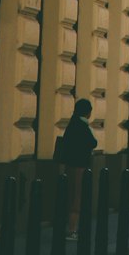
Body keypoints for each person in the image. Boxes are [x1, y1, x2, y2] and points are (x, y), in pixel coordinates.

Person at [57, 96, 97, 237]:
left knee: (72, 195)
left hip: (70, 165)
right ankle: (72, 230)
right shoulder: (81, 126)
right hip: (78, 166)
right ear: (87, 112)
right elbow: (92, 142)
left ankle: (70, 228)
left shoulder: (72, 124)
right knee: (76, 197)